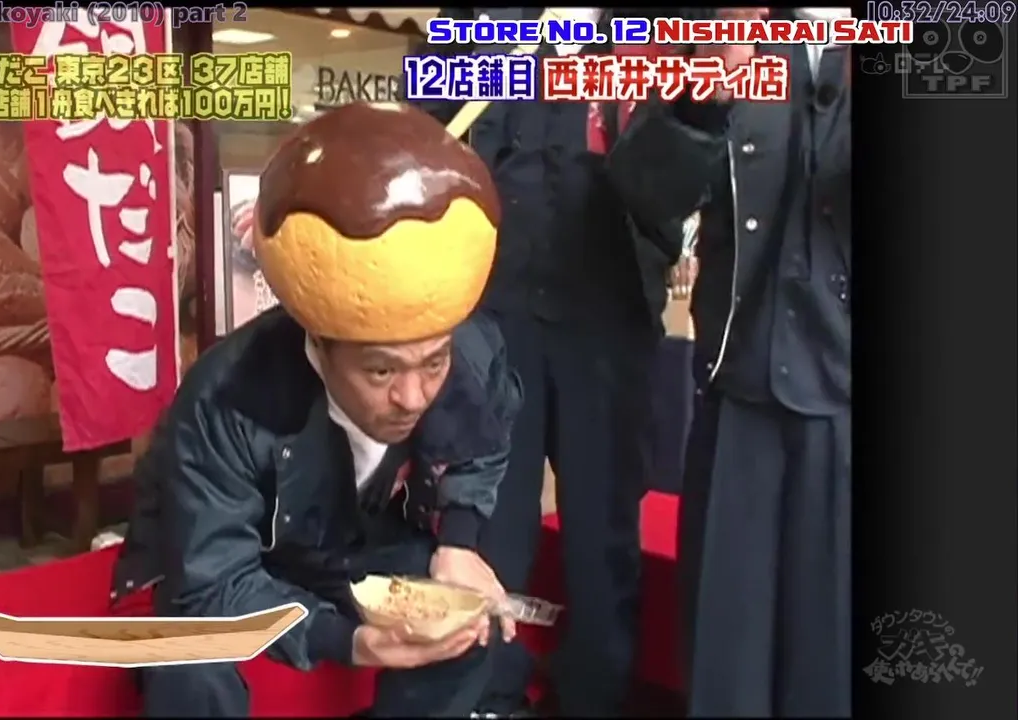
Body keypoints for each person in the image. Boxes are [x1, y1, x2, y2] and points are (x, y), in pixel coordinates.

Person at [111, 102, 524, 718]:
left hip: (345, 548)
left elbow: (482, 447)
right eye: (381, 371)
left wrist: (459, 542)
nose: (413, 396)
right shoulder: (227, 397)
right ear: (319, 344)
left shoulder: (466, 351)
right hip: (227, 564)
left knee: (465, 620)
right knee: (189, 665)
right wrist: (345, 640)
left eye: (431, 364)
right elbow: (215, 580)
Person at [413, 8, 691, 716]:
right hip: (495, 310)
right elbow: (420, 128)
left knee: (602, 532)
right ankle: (489, 695)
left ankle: (595, 696)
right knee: (490, 522)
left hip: (608, 315)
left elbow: (687, 156)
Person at [606, 7, 853, 716]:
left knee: (838, 659)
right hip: (739, 392)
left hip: (846, 405)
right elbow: (644, 191)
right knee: (727, 660)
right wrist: (698, 103)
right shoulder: (730, 29)